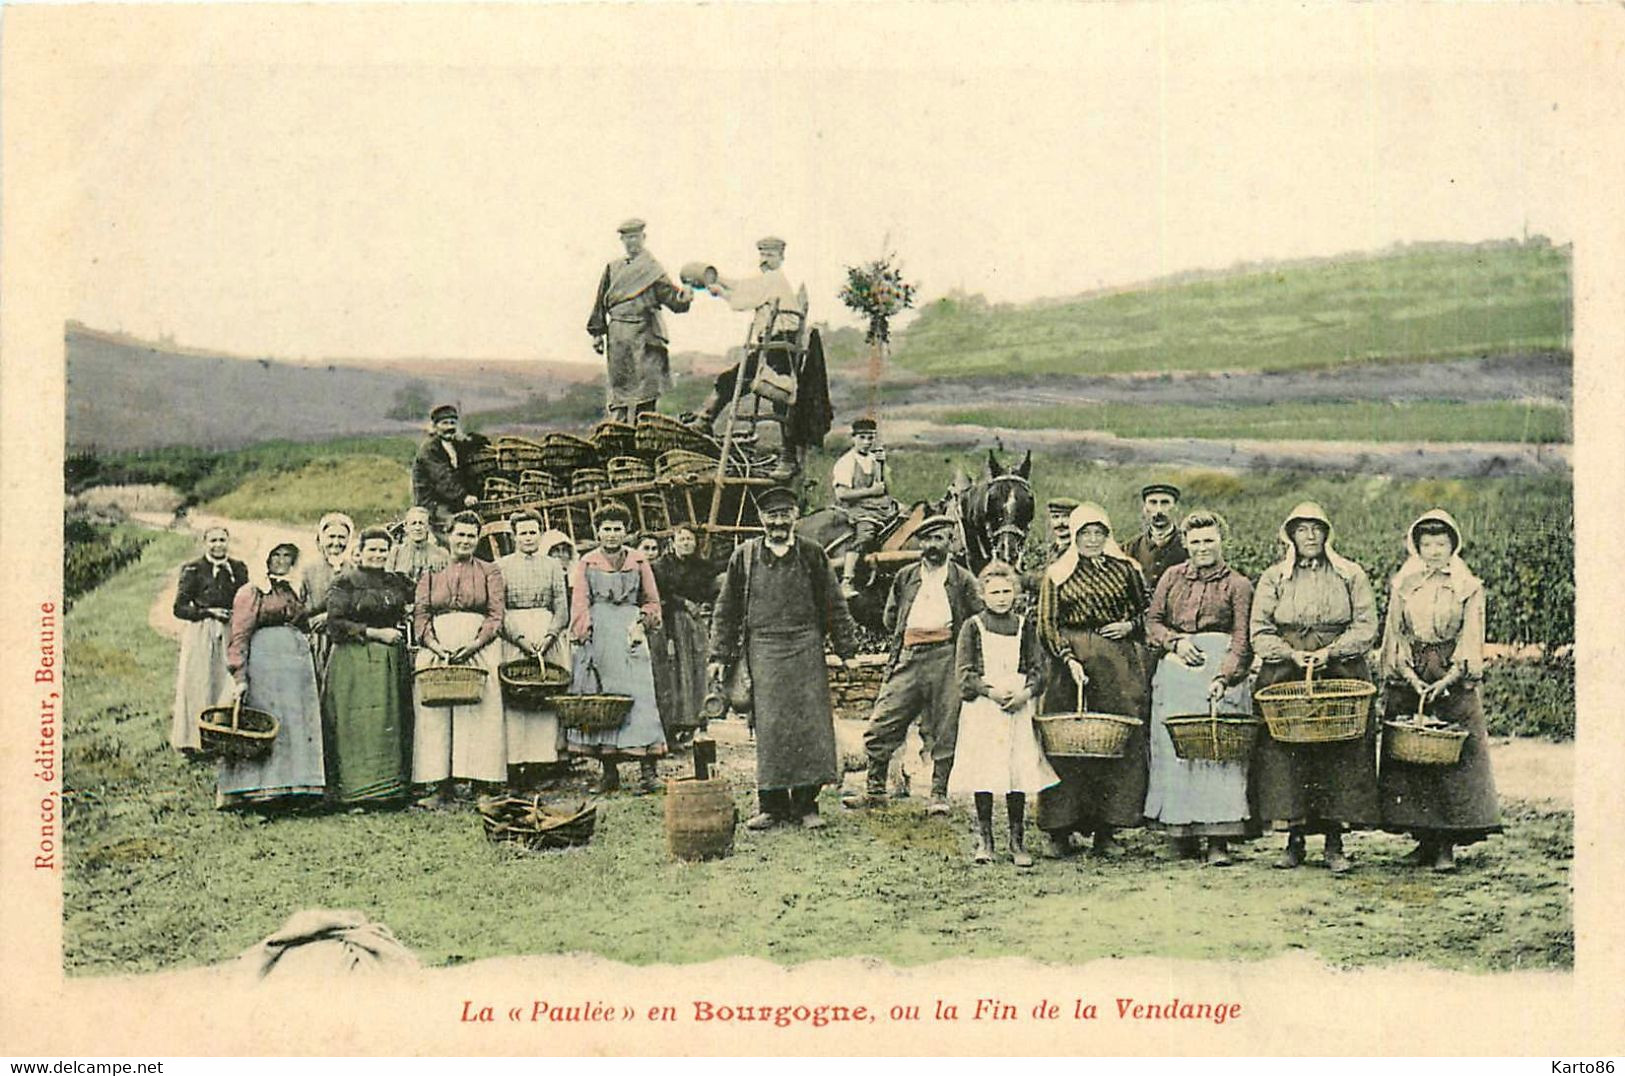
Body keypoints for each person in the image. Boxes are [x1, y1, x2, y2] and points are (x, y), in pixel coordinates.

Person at [709, 486, 859, 829]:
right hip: (763, 649)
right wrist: (719, 653)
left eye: (784, 514)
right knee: (771, 728)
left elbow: (834, 602)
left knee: (811, 726)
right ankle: (772, 806)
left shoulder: (812, 553)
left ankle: (807, 806)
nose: (778, 522)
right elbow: (726, 609)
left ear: (795, 517)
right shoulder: (744, 557)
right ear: (761, 519)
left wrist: (847, 649)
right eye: (771, 515)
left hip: (806, 646)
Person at [1249, 501, 1379, 873]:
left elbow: (1366, 625)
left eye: (1316, 528)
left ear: (1327, 533)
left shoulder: (1349, 574)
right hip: (1288, 671)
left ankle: (1335, 843)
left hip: (1340, 669)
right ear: (1290, 535)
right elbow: (1260, 629)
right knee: (1290, 753)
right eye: (1301, 529)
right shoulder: (1275, 577)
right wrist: (1289, 654)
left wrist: (1332, 651)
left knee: (1338, 753)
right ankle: (1294, 839)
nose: (1310, 535)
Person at [1378, 509, 1501, 871]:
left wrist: (1450, 678)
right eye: (1427, 543)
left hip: (1451, 674)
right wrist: (1408, 674)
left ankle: (1446, 843)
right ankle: (1423, 839)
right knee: (1413, 757)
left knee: (1451, 759)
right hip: (1413, 671)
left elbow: (1471, 636)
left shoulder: (1468, 587)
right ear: (1416, 546)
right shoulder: (1404, 583)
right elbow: (1395, 634)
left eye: (1441, 543)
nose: (1434, 551)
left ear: (1453, 546)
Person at [1034, 502, 1151, 859]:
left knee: (1114, 742)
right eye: (1085, 533)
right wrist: (1068, 658)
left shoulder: (1125, 569)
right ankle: (1059, 830)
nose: (1092, 539)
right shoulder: (1058, 573)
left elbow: (1146, 609)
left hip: (1114, 665)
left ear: (1107, 534)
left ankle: (1107, 830)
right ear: (1074, 535)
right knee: (1065, 743)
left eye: (1098, 532)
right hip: (1068, 669)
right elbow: (1047, 624)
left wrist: (1130, 626)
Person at [844, 515, 981, 815]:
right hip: (908, 655)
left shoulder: (962, 579)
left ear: (951, 542)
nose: (932, 546)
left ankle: (938, 795)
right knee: (885, 719)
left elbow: (978, 621)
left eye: (939, 539)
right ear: (919, 543)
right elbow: (890, 618)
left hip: (946, 657)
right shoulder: (905, 577)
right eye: (927, 540)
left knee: (945, 726)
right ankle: (875, 791)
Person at [1142, 510, 1255, 866]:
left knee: (1217, 750)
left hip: (1220, 676)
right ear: (1186, 544)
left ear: (1222, 541)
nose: (1203, 547)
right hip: (1177, 673)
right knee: (1176, 748)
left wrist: (1225, 676)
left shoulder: (1238, 585)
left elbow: (1242, 639)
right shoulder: (1173, 578)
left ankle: (1219, 837)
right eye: (1196, 541)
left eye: (1209, 540)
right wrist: (1175, 643)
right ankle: (1181, 832)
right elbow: (1152, 622)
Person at [691, 236, 833, 480]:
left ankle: (786, 457)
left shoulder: (774, 280)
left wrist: (721, 293)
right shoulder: (768, 280)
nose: (765, 260)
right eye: (763, 255)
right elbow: (744, 285)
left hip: (780, 346)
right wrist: (718, 279)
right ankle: (704, 421)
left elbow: (742, 300)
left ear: (781, 257)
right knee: (736, 379)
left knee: (778, 398)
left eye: (770, 255)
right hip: (771, 345)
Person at [947, 562, 1057, 866]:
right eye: (994, 592)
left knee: (1015, 772)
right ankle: (985, 840)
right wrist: (990, 692)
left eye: (1007, 591)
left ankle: (1017, 841)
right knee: (986, 770)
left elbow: (1038, 669)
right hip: (985, 706)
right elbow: (964, 672)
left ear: (1016, 594)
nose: (1001, 597)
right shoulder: (973, 626)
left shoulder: (1024, 626)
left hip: (1017, 707)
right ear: (982, 595)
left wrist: (1025, 694)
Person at [564, 503, 666, 793]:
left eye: (617, 528)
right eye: (606, 529)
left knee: (641, 697)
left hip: (630, 633)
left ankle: (649, 771)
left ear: (627, 532)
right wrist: (584, 633)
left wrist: (642, 624)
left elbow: (652, 600)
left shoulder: (638, 560)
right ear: (597, 532)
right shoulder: (587, 562)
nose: (612, 534)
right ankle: (608, 772)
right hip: (600, 632)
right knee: (603, 699)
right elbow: (580, 602)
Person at [411, 511, 508, 809]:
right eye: (460, 534)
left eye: (470, 535)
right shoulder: (431, 570)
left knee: (480, 714)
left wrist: (476, 643)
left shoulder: (489, 570)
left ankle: (481, 785)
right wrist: (435, 646)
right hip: (439, 646)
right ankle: (440, 786)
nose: (465, 540)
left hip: (478, 646)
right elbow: (421, 613)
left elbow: (496, 615)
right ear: (448, 535)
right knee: (436, 715)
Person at [220, 543, 326, 810]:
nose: (281, 561)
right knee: (268, 720)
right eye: (275, 555)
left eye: (287, 556)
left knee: (294, 722)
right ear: (265, 558)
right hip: (265, 665)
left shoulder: (290, 589)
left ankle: (295, 786)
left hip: (295, 668)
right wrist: (239, 675)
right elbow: (239, 634)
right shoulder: (251, 591)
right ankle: (261, 788)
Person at [323, 527, 415, 807]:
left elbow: (416, 600)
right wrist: (376, 633)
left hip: (389, 663)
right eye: (372, 549)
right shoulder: (344, 582)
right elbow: (335, 623)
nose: (377, 555)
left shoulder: (396, 581)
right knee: (358, 723)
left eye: (383, 550)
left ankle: (389, 790)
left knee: (390, 720)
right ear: (359, 552)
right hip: (354, 660)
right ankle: (356, 792)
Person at [586, 218, 693, 423]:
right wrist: (597, 333)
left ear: (643, 238)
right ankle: (618, 434)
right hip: (618, 336)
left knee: (647, 391)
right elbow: (600, 301)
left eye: (634, 237)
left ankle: (646, 433)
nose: (631, 242)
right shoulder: (613, 268)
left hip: (646, 335)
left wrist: (684, 296)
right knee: (620, 389)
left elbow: (673, 300)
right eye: (626, 238)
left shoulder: (652, 270)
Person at [497, 511, 571, 785]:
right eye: (523, 533)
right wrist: (519, 638)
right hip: (515, 638)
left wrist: (550, 635)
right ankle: (515, 765)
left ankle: (544, 764)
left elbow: (561, 608)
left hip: (545, 634)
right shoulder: (501, 566)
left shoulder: (552, 566)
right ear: (514, 536)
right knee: (516, 697)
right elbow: (499, 609)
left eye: (533, 532)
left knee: (544, 697)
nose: (528, 537)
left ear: (541, 534)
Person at [169, 526, 249, 755]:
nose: (218, 545)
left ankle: (222, 738)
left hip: (230, 630)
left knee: (225, 682)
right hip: (202, 632)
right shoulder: (193, 569)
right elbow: (179, 608)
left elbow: (246, 598)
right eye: (213, 540)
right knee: (199, 682)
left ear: (228, 541)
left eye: (222, 540)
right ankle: (193, 741)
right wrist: (209, 612)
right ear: (205, 543)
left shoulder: (238, 568)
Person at [652, 524, 719, 744]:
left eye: (690, 539)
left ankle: (698, 719)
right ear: (673, 542)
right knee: (676, 670)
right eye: (681, 539)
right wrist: (682, 603)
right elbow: (660, 594)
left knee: (697, 667)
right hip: (672, 622)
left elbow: (712, 589)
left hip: (696, 622)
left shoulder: (703, 567)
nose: (686, 543)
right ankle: (675, 722)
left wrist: (703, 605)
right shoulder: (662, 566)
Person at [832, 418, 902, 598]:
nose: (866, 442)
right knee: (865, 536)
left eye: (870, 438)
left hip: (881, 506)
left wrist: (883, 465)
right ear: (853, 438)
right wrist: (871, 491)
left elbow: (887, 488)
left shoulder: (874, 458)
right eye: (862, 438)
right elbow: (842, 494)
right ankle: (847, 580)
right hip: (859, 509)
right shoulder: (846, 462)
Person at [301, 512, 356, 679]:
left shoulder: (354, 571)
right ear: (321, 538)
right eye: (331, 537)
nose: (336, 542)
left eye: (341, 537)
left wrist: (330, 616)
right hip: (316, 641)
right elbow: (298, 606)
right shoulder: (308, 570)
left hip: (345, 642)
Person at [412, 404, 481, 534]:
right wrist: (463, 496)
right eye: (444, 423)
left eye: (452, 423)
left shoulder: (455, 445)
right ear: (435, 426)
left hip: (452, 500)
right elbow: (442, 478)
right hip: (433, 503)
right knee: (455, 528)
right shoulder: (429, 449)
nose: (449, 427)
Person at [1122, 483, 1188, 594]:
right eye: (1153, 503)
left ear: (1176, 508)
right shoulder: (1129, 548)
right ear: (1144, 509)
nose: (1159, 510)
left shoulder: (1189, 546)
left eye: (1165, 503)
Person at [386, 505, 450, 583]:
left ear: (428, 527)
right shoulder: (396, 552)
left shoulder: (441, 553)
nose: (418, 528)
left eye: (421, 523)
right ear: (406, 527)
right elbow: (388, 581)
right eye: (413, 523)